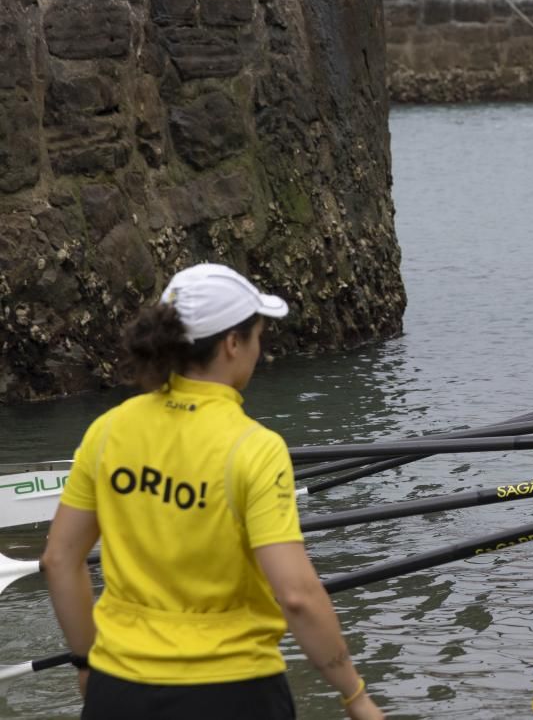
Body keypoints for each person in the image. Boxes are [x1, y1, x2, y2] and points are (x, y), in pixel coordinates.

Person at [41, 264, 383, 720]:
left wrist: (87, 662)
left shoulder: (108, 430)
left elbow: (60, 560)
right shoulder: (255, 449)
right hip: (232, 691)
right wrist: (354, 695)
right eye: (257, 335)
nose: (259, 350)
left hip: (118, 689)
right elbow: (297, 595)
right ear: (233, 343)